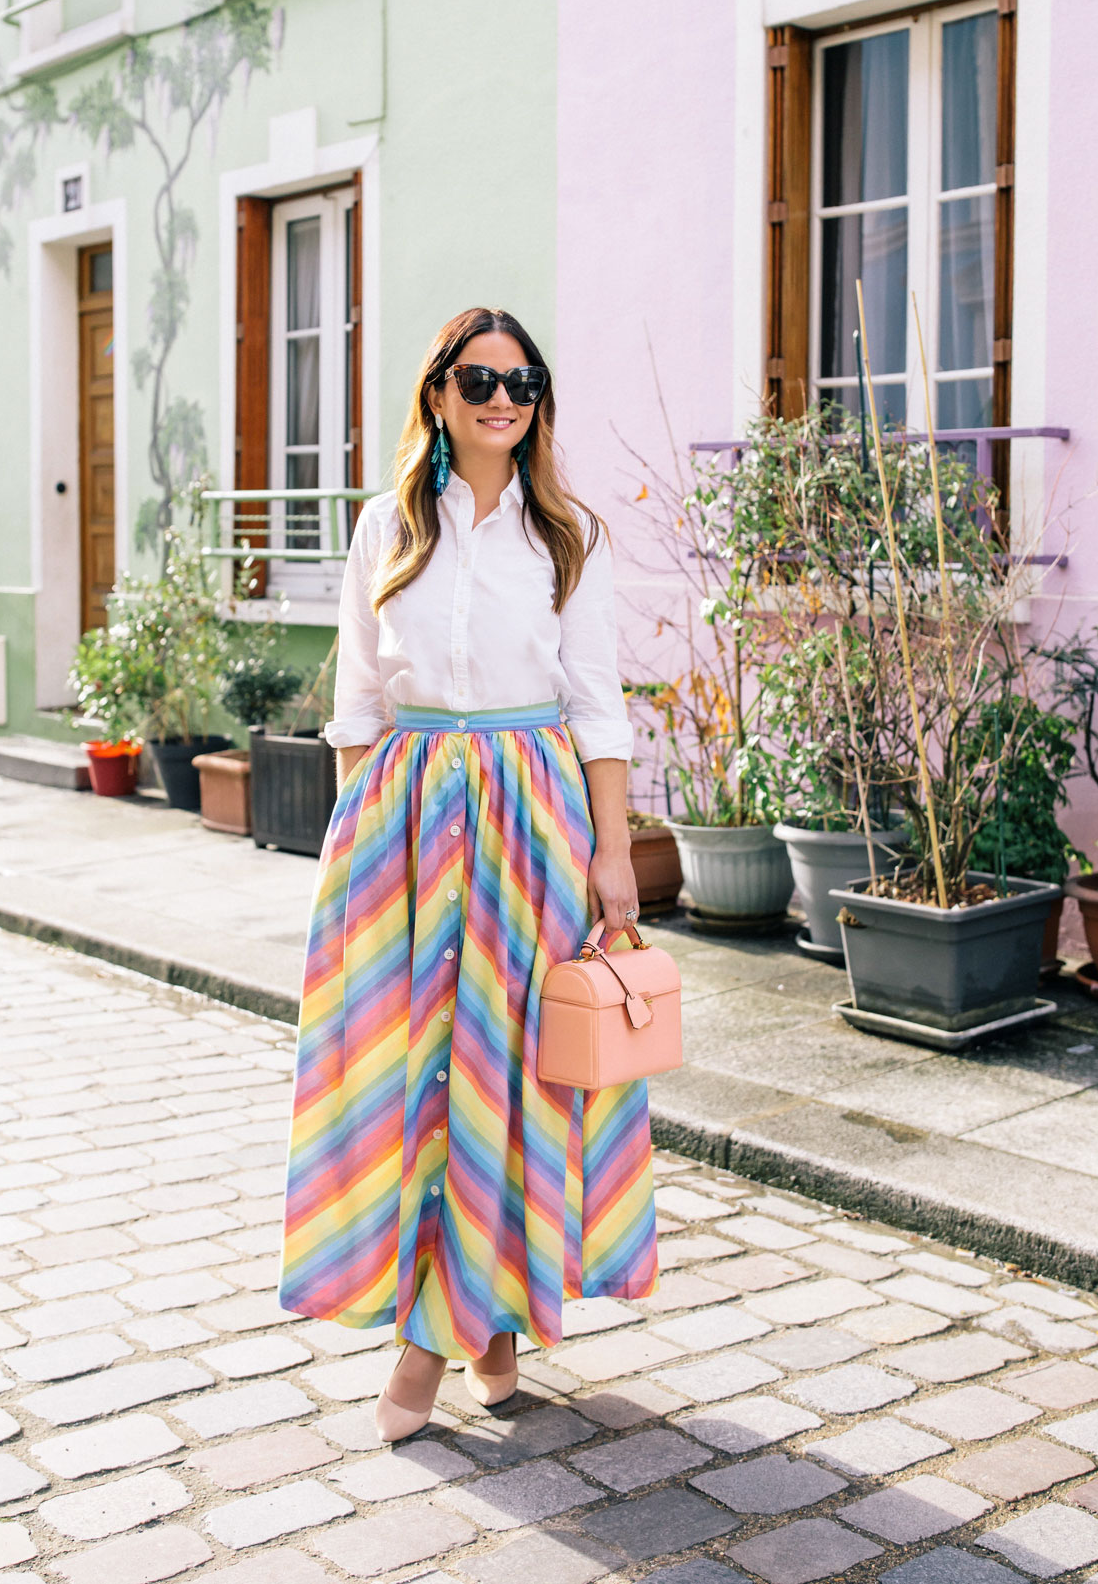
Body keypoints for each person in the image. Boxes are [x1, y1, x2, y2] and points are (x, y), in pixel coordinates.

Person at [280, 306, 657, 1442]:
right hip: (399, 819)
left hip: (527, 818)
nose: (504, 399)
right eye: (481, 379)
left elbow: (597, 709)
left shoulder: (565, 536)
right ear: (438, 393)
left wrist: (611, 853)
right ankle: (484, 1327)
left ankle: (423, 1354)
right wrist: (354, 842)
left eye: (524, 382)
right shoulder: (385, 526)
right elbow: (356, 702)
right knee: (408, 1077)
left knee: (503, 1078)